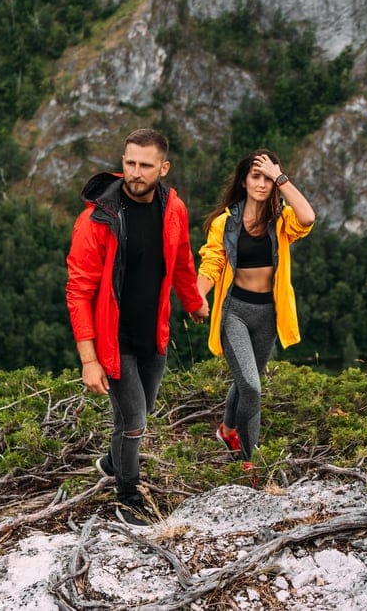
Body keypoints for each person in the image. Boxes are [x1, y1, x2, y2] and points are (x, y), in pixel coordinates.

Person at [66, 128, 209, 525]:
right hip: (115, 339)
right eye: (129, 163)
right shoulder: (97, 219)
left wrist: (194, 304)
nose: (135, 172)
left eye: (145, 165)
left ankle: (112, 462)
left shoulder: (172, 209)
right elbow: (78, 291)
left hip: (154, 334)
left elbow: (181, 263)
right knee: (134, 423)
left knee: (139, 412)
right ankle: (128, 497)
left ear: (163, 168)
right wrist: (89, 359)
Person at [196, 149, 314, 478]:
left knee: (248, 380)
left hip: (268, 315)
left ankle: (227, 429)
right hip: (235, 311)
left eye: (267, 178)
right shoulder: (226, 222)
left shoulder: (281, 220)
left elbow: (307, 218)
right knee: (251, 386)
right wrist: (197, 297)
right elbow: (213, 263)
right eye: (255, 176)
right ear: (244, 181)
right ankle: (250, 461)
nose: (262, 184)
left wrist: (281, 177)